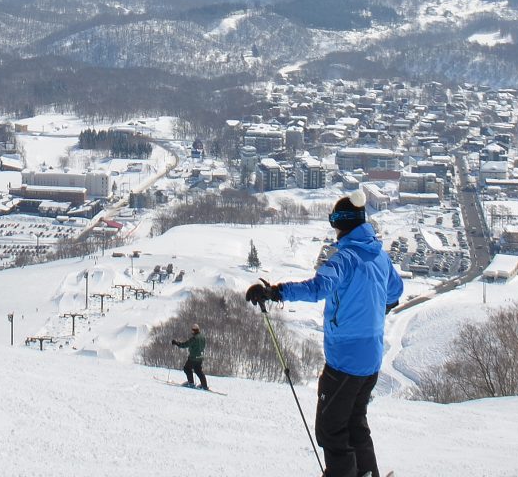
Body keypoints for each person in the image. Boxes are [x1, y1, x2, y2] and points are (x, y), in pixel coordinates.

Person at [246, 192, 404, 477]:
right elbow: (395, 291)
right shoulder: (379, 256)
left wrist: (275, 292)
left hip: (344, 359)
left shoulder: (344, 259)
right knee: (355, 421)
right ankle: (368, 473)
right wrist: (372, 311)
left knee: (331, 429)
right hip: (370, 360)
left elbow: (318, 288)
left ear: (342, 223)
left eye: (334, 220)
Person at [173, 324, 210, 390]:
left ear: (194, 330)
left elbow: (185, 344)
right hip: (200, 357)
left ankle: (191, 383)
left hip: (193, 357)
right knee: (198, 370)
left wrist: (176, 343)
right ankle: (204, 385)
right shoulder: (203, 337)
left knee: (187, 368)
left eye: (192, 330)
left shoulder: (194, 338)